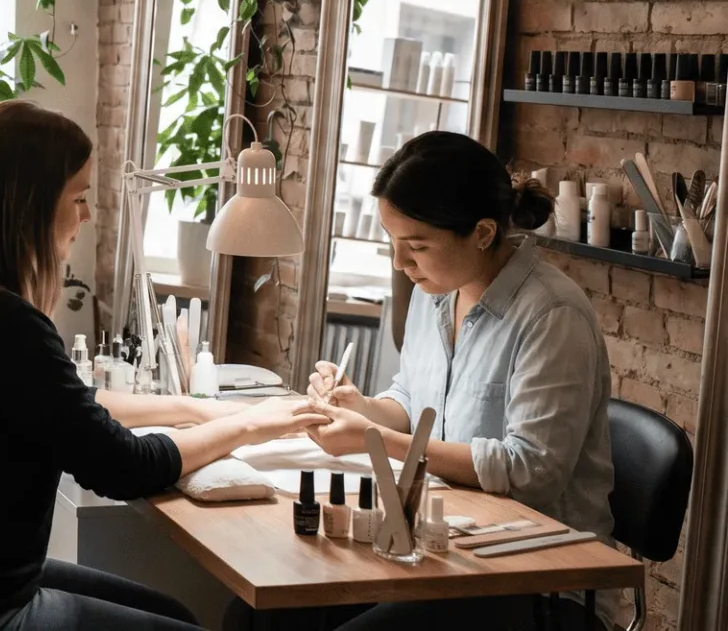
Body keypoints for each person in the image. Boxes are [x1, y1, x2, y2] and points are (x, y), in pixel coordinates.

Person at [0, 99, 329, 631]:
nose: (87, 217)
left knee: (174, 612)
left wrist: (192, 410)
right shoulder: (0, 322)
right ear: (29, 207)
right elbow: (123, 467)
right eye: (79, 198)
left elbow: (63, 403)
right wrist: (244, 425)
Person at [235, 131, 616, 630]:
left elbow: (531, 473)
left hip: (535, 579)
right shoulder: (435, 291)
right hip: (444, 545)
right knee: (259, 616)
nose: (400, 263)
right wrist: (363, 407)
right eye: (392, 243)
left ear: (482, 233)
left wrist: (376, 439)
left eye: (416, 246)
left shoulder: (551, 316)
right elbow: (414, 403)